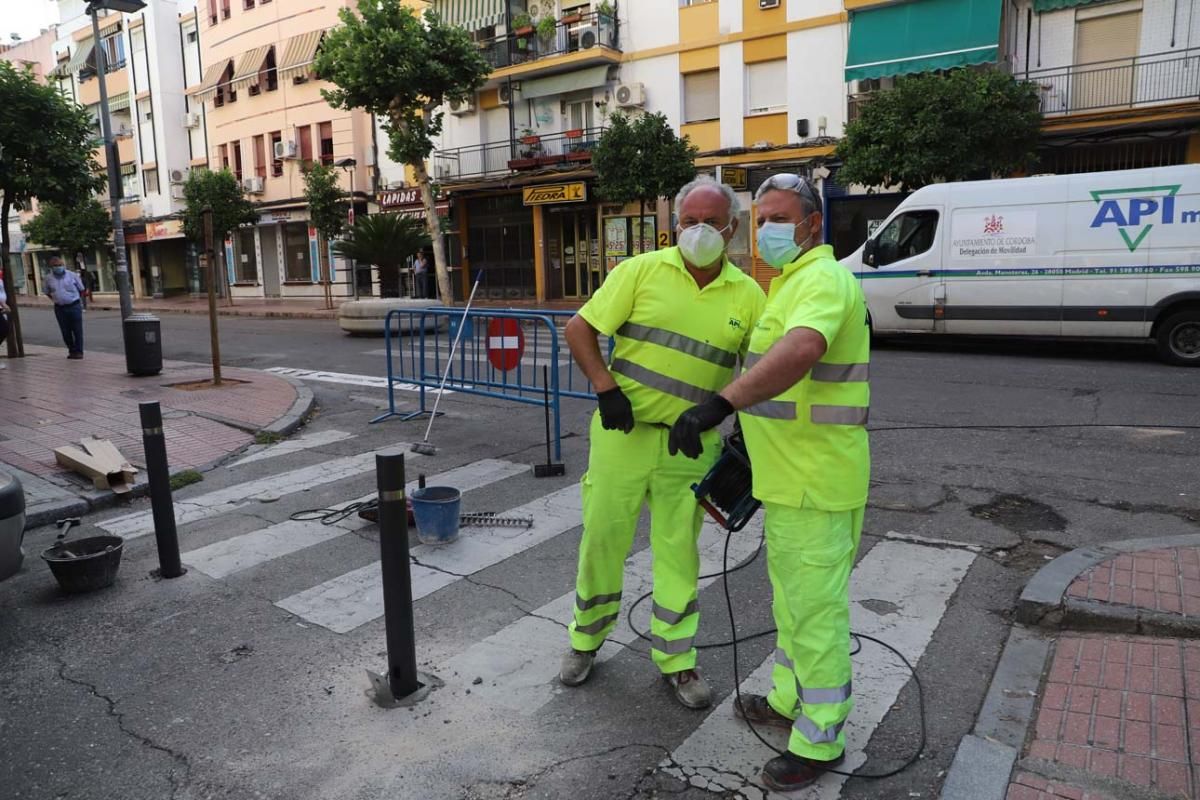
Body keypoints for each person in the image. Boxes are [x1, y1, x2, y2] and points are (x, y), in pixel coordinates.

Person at [667, 174, 870, 791]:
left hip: (816, 481)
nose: (768, 230)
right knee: (790, 607)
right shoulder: (788, 283)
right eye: (761, 220)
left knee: (815, 615)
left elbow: (803, 350)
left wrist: (718, 405)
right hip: (786, 480)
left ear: (813, 223)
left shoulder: (824, 281)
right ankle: (788, 701)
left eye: (779, 218)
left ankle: (820, 738)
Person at [559, 176, 765, 709]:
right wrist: (607, 390)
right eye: (688, 221)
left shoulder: (749, 295)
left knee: (678, 556)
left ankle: (677, 661)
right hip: (622, 437)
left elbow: (758, 373)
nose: (698, 231)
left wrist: (730, 421)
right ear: (675, 225)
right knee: (602, 540)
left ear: (733, 228)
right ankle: (585, 640)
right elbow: (578, 329)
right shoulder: (640, 271)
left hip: (691, 451)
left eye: (710, 222)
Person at [43, 256, 87, 359]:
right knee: (65, 331)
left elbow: (81, 289)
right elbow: (47, 292)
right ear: (51, 267)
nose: (58, 267)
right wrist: (56, 299)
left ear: (63, 265)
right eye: (55, 266)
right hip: (60, 308)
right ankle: (71, 350)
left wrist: (75, 299)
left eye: (60, 265)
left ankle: (79, 352)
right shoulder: (48, 278)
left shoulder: (72, 275)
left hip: (74, 305)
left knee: (77, 330)